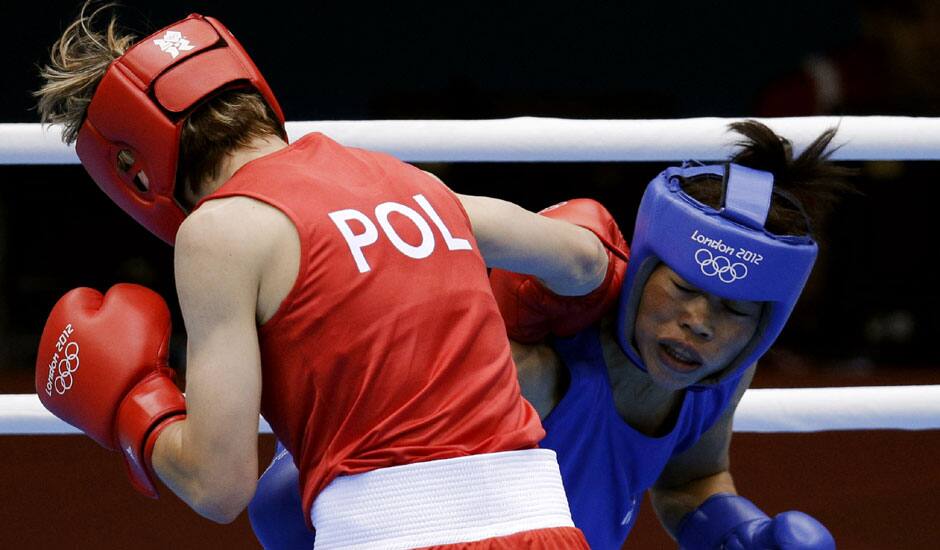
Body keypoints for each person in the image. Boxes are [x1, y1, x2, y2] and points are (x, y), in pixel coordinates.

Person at [33, 5, 603, 548]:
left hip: (396, 537)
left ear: (131, 168)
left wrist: (137, 407)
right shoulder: (416, 184)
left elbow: (219, 485)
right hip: (548, 525)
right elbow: (585, 262)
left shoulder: (220, 232)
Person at [250, 120, 849, 549]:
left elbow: (689, 477)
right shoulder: (533, 372)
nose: (699, 321)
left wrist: (736, 532)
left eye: (733, 310)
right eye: (683, 289)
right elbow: (323, 476)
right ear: (641, 271)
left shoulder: (719, 373)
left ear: (764, 327)